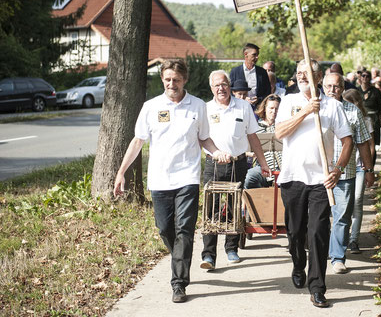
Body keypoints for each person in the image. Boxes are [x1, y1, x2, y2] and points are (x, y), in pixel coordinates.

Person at [113, 59, 231, 304]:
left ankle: (179, 284)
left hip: (187, 177)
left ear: (184, 80)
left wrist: (216, 151)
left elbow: (204, 138)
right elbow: (137, 141)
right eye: (167, 79)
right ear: (162, 80)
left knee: (184, 231)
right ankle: (181, 258)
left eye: (176, 80)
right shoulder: (151, 106)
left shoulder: (198, 106)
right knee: (165, 229)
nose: (171, 84)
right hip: (159, 179)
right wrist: (121, 172)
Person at [275, 59, 353, 308]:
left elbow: (347, 140)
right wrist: (307, 111)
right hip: (292, 178)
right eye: (298, 73)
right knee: (295, 232)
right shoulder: (289, 101)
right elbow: (279, 133)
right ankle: (298, 263)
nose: (301, 77)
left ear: (318, 77)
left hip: (321, 180)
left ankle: (317, 286)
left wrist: (338, 169)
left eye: (306, 73)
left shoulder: (332, 106)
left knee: (318, 233)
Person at [200, 70, 270, 270]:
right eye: (216, 85)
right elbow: (201, 138)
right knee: (210, 209)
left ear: (229, 85)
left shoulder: (243, 107)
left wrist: (263, 163)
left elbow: (253, 137)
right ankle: (208, 255)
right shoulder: (205, 109)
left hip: (238, 163)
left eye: (224, 84)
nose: (221, 88)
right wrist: (215, 153)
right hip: (213, 164)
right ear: (211, 88)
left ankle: (232, 249)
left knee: (233, 207)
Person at [323, 73, 374, 274]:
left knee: (342, 216)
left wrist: (368, 170)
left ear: (343, 88)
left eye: (336, 87)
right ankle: (321, 250)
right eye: (328, 87)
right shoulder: (317, 110)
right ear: (322, 87)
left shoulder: (352, 111)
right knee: (319, 216)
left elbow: (362, 142)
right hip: (319, 173)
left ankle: (337, 256)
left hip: (345, 174)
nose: (332, 91)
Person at [342, 89, 375, 254]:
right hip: (345, 167)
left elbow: (370, 145)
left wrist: (369, 167)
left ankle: (354, 239)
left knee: (357, 201)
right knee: (344, 204)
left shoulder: (365, 119)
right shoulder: (340, 116)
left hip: (360, 166)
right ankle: (343, 236)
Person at [244, 94, 282, 189]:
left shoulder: (283, 126)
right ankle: (258, 200)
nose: (274, 112)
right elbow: (243, 148)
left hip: (283, 167)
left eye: (277, 109)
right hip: (262, 167)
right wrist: (249, 153)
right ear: (265, 108)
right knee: (250, 177)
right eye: (271, 108)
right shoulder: (256, 127)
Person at [358, 70, 381, 162]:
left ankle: (371, 167)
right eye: (363, 76)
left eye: (367, 76)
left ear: (370, 78)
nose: (365, 78)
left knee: (372, 144)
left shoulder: (375, 91)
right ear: (360, 78)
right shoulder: (357, 91)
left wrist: (380, 119)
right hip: (360, 119)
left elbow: (380, 107)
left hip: (373, 119)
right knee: (361, 143)